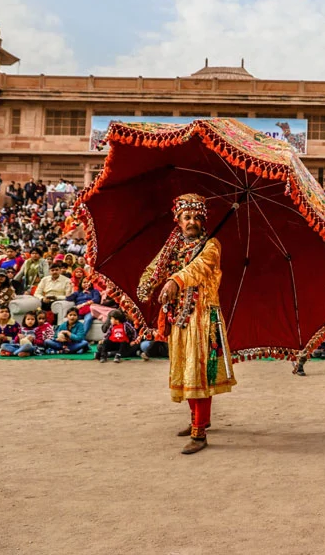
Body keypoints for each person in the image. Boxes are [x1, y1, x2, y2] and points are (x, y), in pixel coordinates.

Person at [137, 193, 236, 454]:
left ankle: (199, 433)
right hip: (179, 317)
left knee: (199, 373)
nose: (191, 221)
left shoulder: (211, 245)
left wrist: (174, 281)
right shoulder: (173, 246)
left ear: (203, 221)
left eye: (196, 217)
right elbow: (155, 267)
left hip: (203, 317)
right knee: (185, 369)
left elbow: (199, 268)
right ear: (178, 221)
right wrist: (146, 285)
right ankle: (198, 419)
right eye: (186, 217)